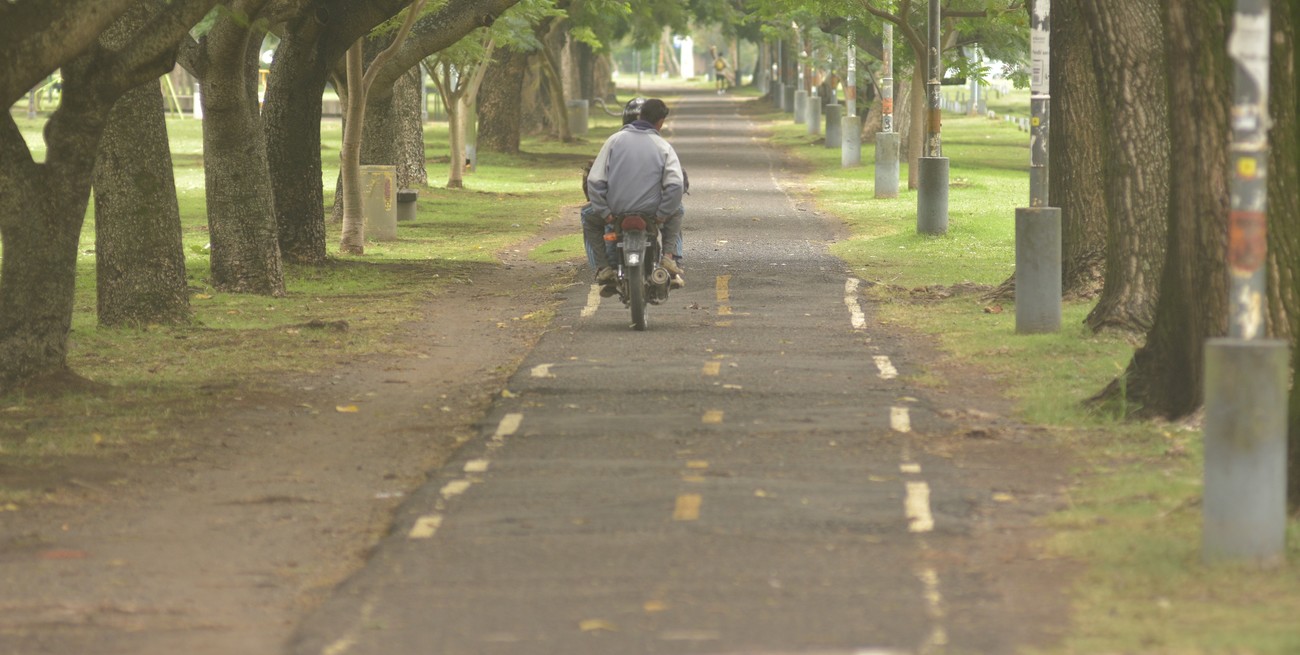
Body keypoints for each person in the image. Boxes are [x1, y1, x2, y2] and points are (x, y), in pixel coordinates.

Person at [584, 98, 685, 293]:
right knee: (677, 210)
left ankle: (603, 267)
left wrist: (605, 212)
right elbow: (675, 185)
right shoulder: (663, 146)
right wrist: (662, 214)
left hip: (616, 211)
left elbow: (594, 182)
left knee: (588, 217)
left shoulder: (613, 141)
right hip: (651, 212)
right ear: (661, 122)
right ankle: (669, 257)